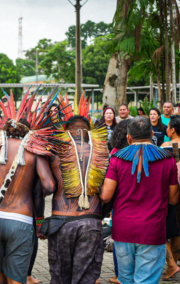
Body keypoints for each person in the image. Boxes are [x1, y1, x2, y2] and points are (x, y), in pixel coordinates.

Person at [0, 90, 58, 284]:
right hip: (21, 218)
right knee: (16, 278)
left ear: (3, 129)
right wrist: (29, 189)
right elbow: (49, 186)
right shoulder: (34, 152)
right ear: (27, 132)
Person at [100, 116, 180, 284]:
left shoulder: (117, 159)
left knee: (126, 279)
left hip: (123, 230)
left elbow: (106, 195)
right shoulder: (168, 160)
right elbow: (173, 199)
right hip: (153, 229)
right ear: (152, 134)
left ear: (129, 137)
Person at [50, 99, 109, 284]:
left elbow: (44, 187)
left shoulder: (54, 151)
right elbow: (109, 193)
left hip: (61, 221)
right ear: (89, 131)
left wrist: (38, 221)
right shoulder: (102, 153)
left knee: (60, 277)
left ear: (67, 131)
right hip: (91, 220)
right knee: (85, 278)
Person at [107, 120, 130, 284]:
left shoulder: (115, 154)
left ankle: (119, 274)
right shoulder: (143, 153)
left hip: (120, 203)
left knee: (119, 238)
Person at [160, 115, 180, 280]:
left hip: (169, 194)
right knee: (177, 231)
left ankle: (172, 265)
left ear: (172, 130)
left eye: (168, 127)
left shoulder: (167, 146)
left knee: (161, 231)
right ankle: (173, 264)